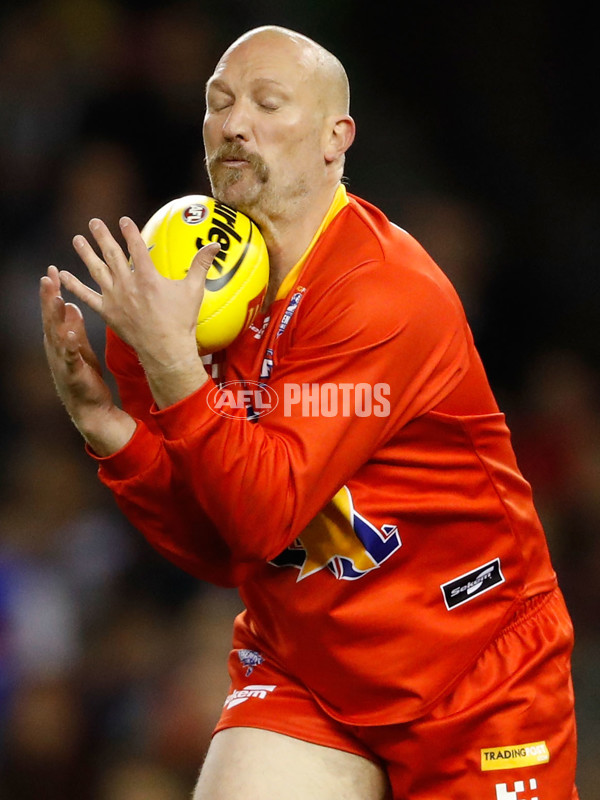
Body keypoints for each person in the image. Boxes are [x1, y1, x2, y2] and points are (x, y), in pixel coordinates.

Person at [40, 25, 579, 800]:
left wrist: (169, 366)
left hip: (473, 677)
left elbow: (263, 513)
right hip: (306, 666)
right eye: (218, 103)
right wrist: (109, 427)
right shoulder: (187, 284)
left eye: (267, 103)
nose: (234, 123)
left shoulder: (385, 291)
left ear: (337, 138)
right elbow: (222, 545)